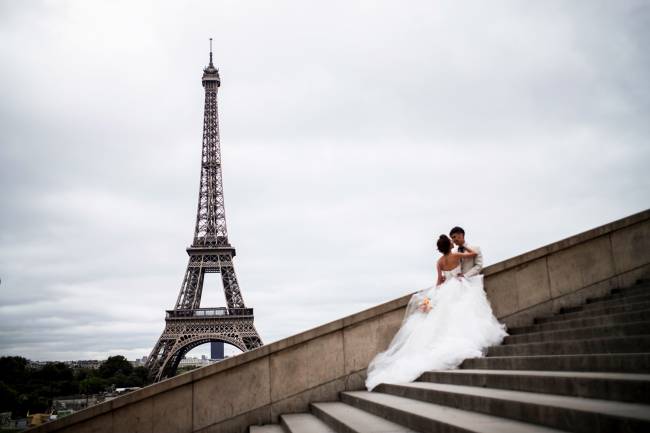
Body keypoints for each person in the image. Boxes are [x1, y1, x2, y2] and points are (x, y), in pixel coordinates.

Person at [365, 233, 507, 391]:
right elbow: (473, 254)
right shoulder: (456, 255)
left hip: (445, 289)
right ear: (450, 245)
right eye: (451, 241)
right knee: (458, 315)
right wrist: (463, 244)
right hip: (458, 286)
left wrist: (432, 298)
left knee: (441, 319)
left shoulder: (439, 262)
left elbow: (439, 281)